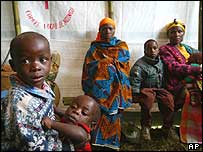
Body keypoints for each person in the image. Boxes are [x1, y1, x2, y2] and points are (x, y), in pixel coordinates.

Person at [1, 31, 62, 151]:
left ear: (50, 60)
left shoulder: (43, 84)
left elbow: (45, 106)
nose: (36, 67)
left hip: (46, 136)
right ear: (13, 66)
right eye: (25, 61)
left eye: (43, 59)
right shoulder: (21, 102)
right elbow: (31, 145)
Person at [81, 17, 132, 150]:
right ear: (100, 31)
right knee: (99, 114)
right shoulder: (94, 49)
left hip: (118, 90)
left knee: (114, 115)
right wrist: (104, 64)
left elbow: (124, 59)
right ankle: (97, 142)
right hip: (100, 91)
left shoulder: (121, 45)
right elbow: (89, 67)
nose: (107, 31)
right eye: (104, 28)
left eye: (110, 28)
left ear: (114, 30)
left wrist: (108, 62)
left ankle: (111, 143)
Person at [159, 19, 202, 143]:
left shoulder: (187, 48)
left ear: (183, 34)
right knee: (192, 96)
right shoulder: (165, 49)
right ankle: (190, 134)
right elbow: (173, 68)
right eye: (173, 32)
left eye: (179, 32)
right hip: (176, 84)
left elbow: (199, 56)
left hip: (191, 80)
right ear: (168, 35)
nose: (176, 34)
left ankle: (197, 131)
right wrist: (196, 68)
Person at [129, 39, 176, 141]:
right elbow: (135, 79)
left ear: (158, 50)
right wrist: (135, 92)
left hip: (159, 88)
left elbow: (167, 74)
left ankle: (167, 127)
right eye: (149, 48)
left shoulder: (161, 62)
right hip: (146, 89)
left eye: (155, 48)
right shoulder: (140, 65)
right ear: (145, 51)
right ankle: (146, 127)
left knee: (169, 101)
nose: (152, 50)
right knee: (147, 102)